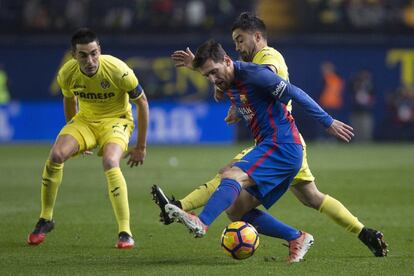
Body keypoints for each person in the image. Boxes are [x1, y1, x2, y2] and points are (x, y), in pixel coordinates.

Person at [152, 12, 388, 257]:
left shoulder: (264, 61)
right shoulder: (233, 74)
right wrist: (210, 76)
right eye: (234, 42)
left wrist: (327, 122)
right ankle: (325, 235)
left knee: (230, 174)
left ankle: (195, 217)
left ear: (256, 36)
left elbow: (277, 84)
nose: (238, 46)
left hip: (281, 141)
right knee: (243, 209)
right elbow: (231, 76)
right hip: (274, 141)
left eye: (240, 40)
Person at [27, 28, 149, 249]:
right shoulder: (67, 73)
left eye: (94, 53)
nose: (90, 60)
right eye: (83, 55)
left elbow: (143, 103)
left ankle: (125, 232)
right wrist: (74, 134)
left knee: (110, 161)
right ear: (74, 55)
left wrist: (140, 146)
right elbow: (69, 100)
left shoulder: (118, 70)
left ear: (99, 50)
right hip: (85, 121)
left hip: (116, 120)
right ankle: (46, 219)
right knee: (56, 155)